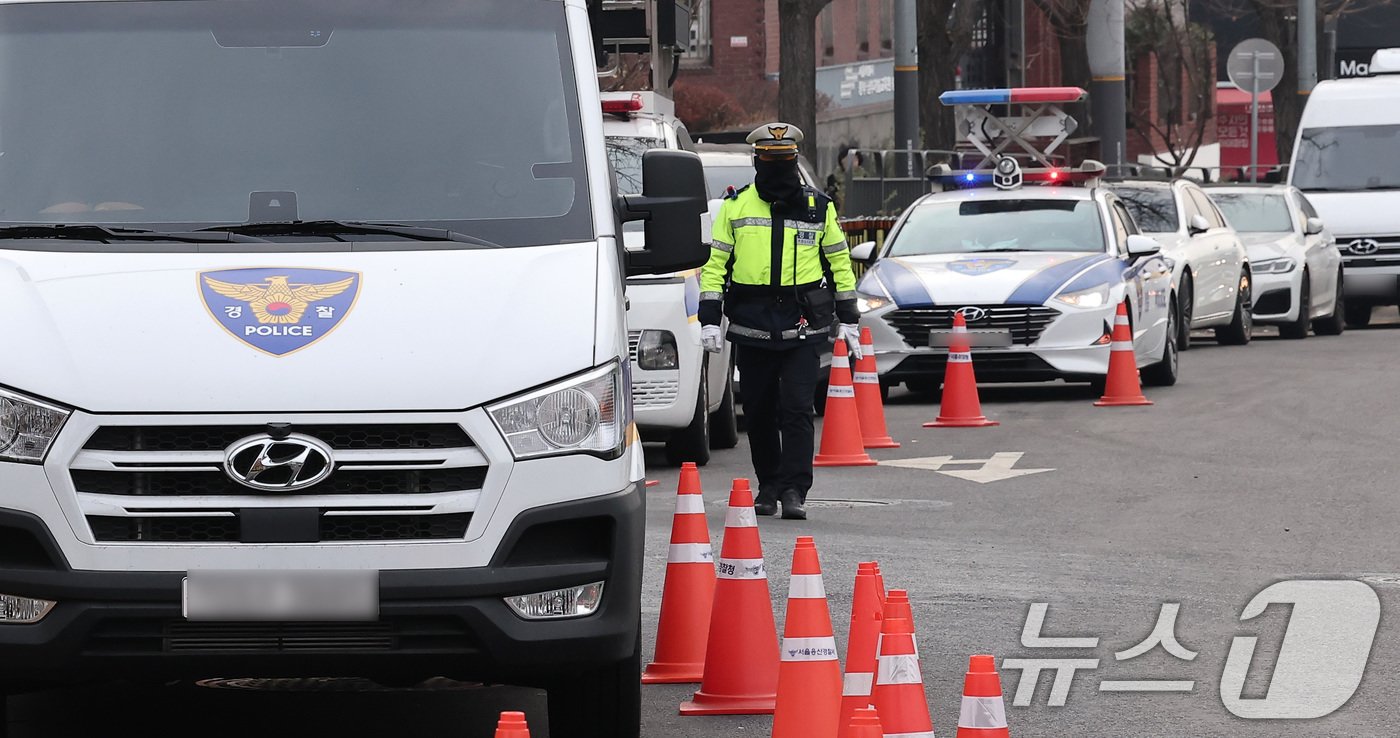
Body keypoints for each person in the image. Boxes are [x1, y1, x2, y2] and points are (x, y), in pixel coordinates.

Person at [698, 122, 862, 520]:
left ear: (793, 162)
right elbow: (715, 265)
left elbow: (839, 262)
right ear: (757, 162)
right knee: (757, 411)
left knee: (797, 409)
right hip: (752, 326)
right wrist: (708, 319)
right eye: (770, 162)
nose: (778, 169)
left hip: (802, 324)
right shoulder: (735, 208)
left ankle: (794, 490)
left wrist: (850, 318)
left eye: (784, 162)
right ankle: (768, 485)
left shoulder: (819, 208)